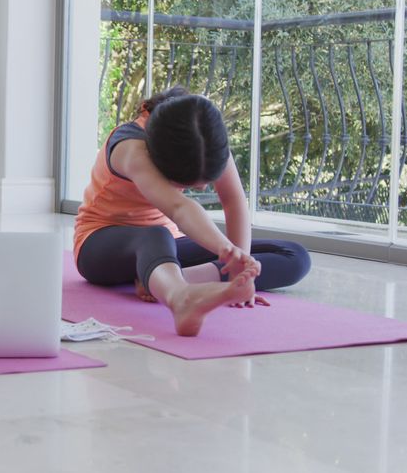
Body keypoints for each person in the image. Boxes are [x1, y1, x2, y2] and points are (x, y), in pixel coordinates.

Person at [75, 86, 310, 336]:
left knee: (294, 256)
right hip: (99, 246)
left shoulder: (206, 138)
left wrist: (239, 265)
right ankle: (180, 297)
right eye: (186, 185)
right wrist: (224, 251)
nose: (202, 187)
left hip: (166, 248)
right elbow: (179, 208)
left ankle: (160, 280)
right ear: (160, 158)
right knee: (156, 234)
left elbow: (233, 201)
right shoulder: (131, 149)